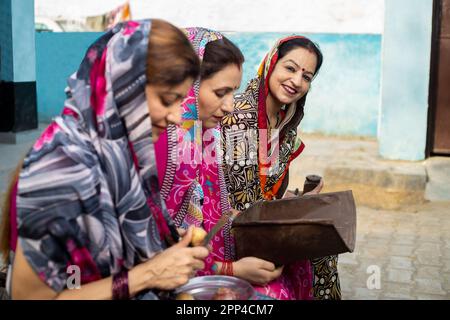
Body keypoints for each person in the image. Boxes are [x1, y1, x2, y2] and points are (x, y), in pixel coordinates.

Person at [0, 19, 210, 300]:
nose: (175, 116)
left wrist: (165, 245)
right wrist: (149, 273)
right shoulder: (60, 174)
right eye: (166, 99)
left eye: (180, 101)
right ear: (124, 89)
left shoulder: (121, 153)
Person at [222, 36, 340, 300]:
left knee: (324, 242)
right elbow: (245, 204)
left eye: (307, 76)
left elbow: (266, 192)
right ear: (271, 64)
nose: (297, 81)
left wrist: (297, 201)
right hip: (231, 228)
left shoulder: (285, 121)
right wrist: (293, 212)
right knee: (315, 244)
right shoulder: (241, 119)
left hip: (258, 217)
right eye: (290, 68)